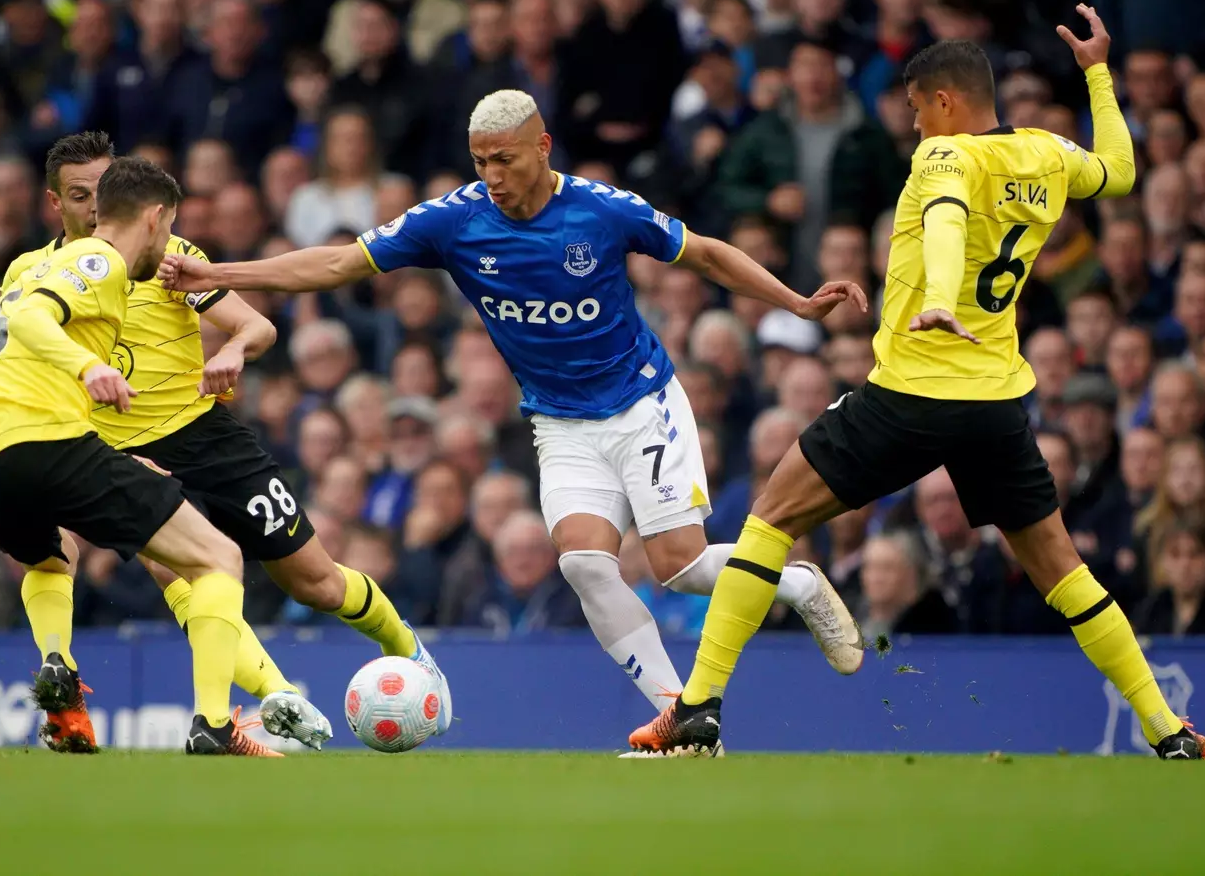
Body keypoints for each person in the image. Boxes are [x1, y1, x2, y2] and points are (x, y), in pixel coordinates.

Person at [158, 89, 869, 745]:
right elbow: (339, 264)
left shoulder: (602, 209)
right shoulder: (454, 221)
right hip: (560, 422)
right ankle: (682, 718)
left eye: (503, 158)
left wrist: (797, 303)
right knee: (586, 565)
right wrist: (219, 275)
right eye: (480, 161)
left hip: (643, 405)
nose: (491, 174)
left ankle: (798, 582)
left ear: (542, 147)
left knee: (677, 568)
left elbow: (706, 254)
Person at [628, 8, 1205, 760]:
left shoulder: (944, 158)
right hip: (995, 402)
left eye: (913, 110)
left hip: (912, 390)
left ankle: (698, 706)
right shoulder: (1046, 155)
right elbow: (1122, 171)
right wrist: (1098, 72)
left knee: (770, 516)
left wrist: (938, 295)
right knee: (1063, 569)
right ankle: (1165, 728)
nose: (913, 128)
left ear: (943, 101)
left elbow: (942, 218)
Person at [0, 133, 450, 753]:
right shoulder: (35, 268)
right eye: (80, 195)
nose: (94, 206)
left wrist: (233, 352)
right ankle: (261, 698)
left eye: (104, 190)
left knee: (315, 582)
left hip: (206, 437)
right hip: (112, 445)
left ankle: (404, 648)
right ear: (56, 204)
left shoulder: (165, 257)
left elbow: (256, 324)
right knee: (186, 571)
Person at [0, 157, 274, 756]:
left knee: (50, 557)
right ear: (155, 218)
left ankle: (58, 671)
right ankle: (215, 725)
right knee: (218, 556)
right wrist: (88, 365)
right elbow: (32, 317)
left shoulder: (34, 266)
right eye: (167, 228)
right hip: (46, 443)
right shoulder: (100, 260)